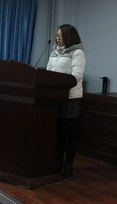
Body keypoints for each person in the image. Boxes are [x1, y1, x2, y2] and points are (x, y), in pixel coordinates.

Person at [46, 24, 86, 178]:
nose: (58, 39)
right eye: (57, 36)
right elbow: (48, 73)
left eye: (61, 36)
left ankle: (68, 166)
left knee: (69, 135)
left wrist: (58, 84)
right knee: (58, 134)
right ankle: (56, 164)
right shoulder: (54, 52)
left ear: (69, 37)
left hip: (70, 98)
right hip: (55, 98)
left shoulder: (77, 52)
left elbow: (76, 75)